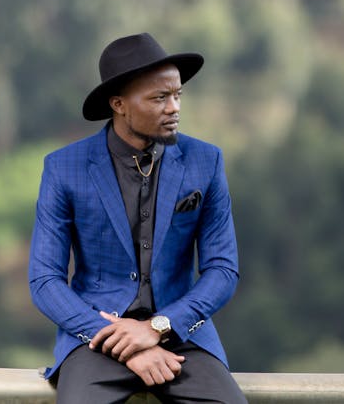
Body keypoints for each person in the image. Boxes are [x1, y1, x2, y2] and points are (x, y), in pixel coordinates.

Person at [28, 33, 247, 403]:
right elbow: (44, 280)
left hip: (183, 336)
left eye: (178, 95)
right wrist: (125, 341)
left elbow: (223, 270)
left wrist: (159, 328)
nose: (174, 107)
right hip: (95, 337)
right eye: (160, 98)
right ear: (119, 104)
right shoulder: (63, 168)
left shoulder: (205, 161)